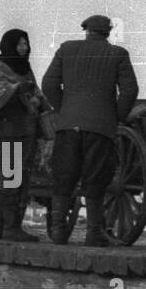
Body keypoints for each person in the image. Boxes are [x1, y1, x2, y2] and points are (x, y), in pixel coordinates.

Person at [41, 14, 138, 246]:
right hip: (100, 128)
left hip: (67, 126)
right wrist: (116, 116)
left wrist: (64, 109)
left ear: (86, 31)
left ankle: (57, 231)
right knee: (96, 178)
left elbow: (48, 84)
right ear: (108, 32)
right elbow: (130, 91)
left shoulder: (67, 49)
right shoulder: (118, 54)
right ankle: (94, 233)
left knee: (64, 175)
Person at [0, 29, 48, 241]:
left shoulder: (26, 68)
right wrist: (15, 89)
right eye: (20, 44)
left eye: (26, 44)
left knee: (20, 180)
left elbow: (36, 92)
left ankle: (12, 226)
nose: (24, 48)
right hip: (3, 132)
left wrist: (38, 100)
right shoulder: (0, 67)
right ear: (10, 45)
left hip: (24, 131)